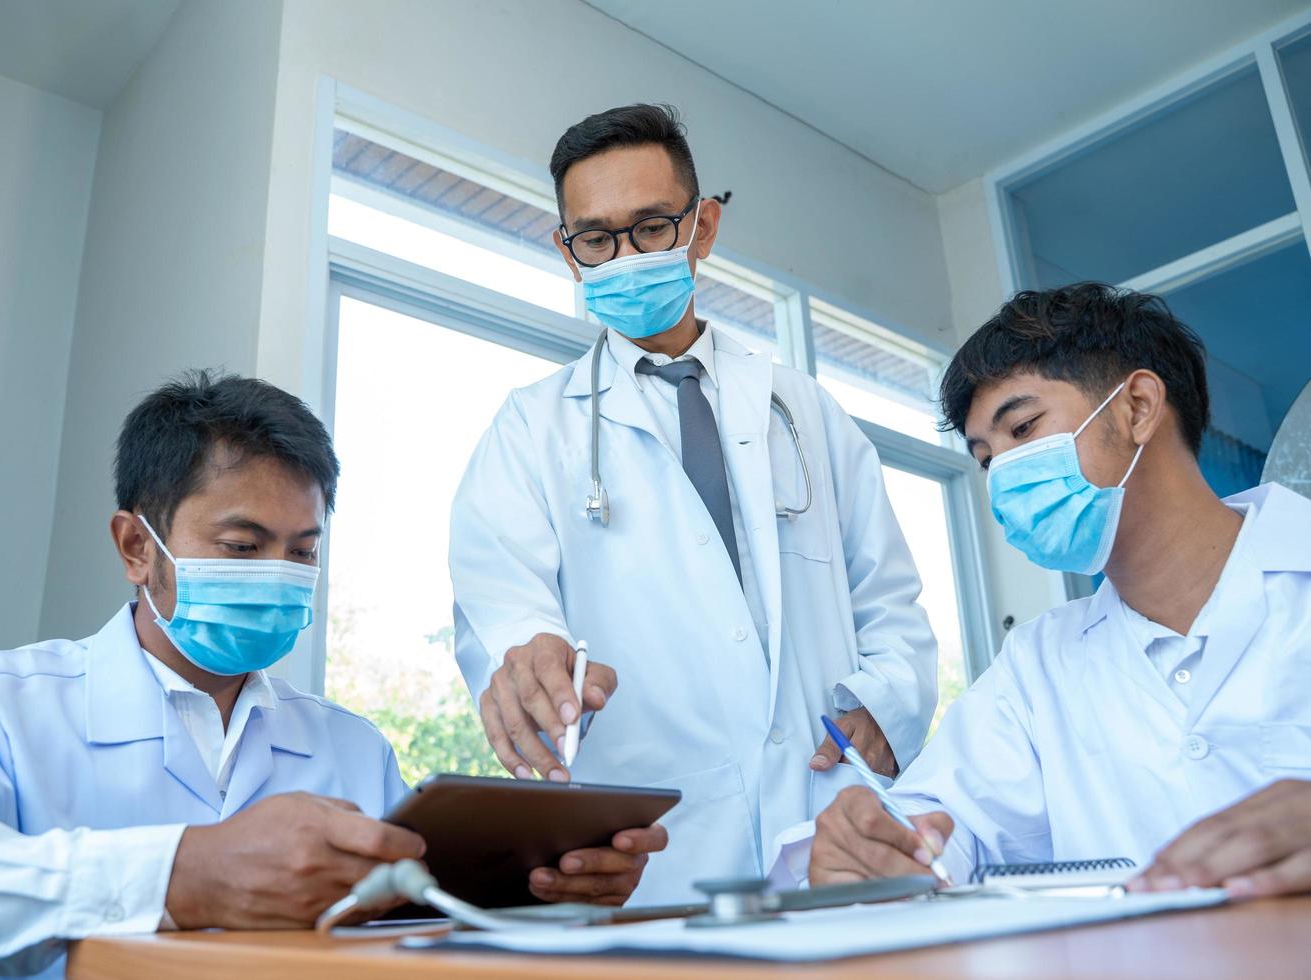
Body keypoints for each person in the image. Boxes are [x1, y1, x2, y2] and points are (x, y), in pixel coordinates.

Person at [0, 372, 667, 979]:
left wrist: (535, 902)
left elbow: (401, 937)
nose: (278, 572)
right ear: (136, 548)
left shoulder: (350, 747)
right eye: (242, 548)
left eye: (302, 552)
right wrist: (176, 875)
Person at [448, 103, 937, 903]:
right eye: (596, 239)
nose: (623, 256)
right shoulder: (532, 428)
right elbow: (501, 601)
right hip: (653, 853)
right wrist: (528, 657)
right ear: (568, 252)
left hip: (827, 820)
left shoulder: (802, 409)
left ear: (702, 227)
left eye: (649, 228)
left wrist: (889, 707)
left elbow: (887, 595)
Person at [801, 283, 1311, 898]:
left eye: (1023, 428)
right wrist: (879, 843)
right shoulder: (1040, 662)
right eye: (987, 459)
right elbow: (943, 823)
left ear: (1139, 406)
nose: (1005, 476)